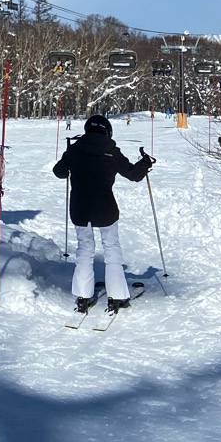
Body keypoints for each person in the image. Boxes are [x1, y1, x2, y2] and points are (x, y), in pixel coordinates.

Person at [53, 115, 153, 314]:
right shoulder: (111, 150)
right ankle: (117, 296)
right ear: (107, 131)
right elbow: (133, 175)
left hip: (80, 209)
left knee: (84, 249)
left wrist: (68, 159)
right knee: (111, 247)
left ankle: (83, 295)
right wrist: (145, 163)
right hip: (105, 208)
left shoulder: (75, 148)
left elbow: (59, 172)